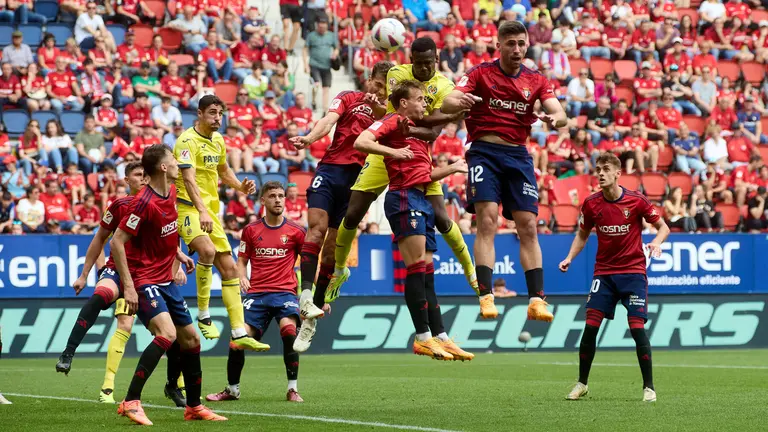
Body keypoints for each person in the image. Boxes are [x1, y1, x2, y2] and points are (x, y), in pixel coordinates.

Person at [325, 38, 480, 323]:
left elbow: (431, 132)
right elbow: (393, 115)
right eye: (419, 63)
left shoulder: (445, 86)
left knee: (442, 218)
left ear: (436, 59)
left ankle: (472, 273)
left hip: (417, 155)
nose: (424, 68)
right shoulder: (397, 73)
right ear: (411, 60)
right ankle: (339, 269)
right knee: (353, 212)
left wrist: (409, 126)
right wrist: (397, 122)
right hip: (386, 150)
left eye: (428, 63)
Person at [443, 20, 568, 322]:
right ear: (498, 45)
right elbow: (448, 101)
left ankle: (537, 300)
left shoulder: (536, 80)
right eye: (510, 43)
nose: (516, 49)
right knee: (487, 220)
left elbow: (560, 113)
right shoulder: (480, 73)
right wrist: (460, 101)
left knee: (528, 226)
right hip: (484, 153)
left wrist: (555, 120)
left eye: (521, 43)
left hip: (518, 156)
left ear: (528, 45)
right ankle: (486, 295)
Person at [354, 80, 471, 361]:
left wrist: (452, 168)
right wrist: (393, 152)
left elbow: (424, 175)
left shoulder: (416, 131)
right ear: (404, 103)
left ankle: (441, 336)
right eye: (419, 99)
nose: (423, 103)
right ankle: (422, 337)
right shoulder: (393, 121)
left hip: (421, 197)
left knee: (427, 273)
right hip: (404, 198)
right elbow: (361, 141)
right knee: (417, 268)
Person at [108, 145, 223, 425]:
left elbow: (167, 230)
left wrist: (178, 254)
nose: (177, 163)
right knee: (167, 334)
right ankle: (130, 401)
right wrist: (129, 287)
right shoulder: (142, 203)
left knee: (191, 339)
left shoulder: (171, 192)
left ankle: (194, 407)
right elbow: (117, 242)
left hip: (166, 280)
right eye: (173, 159)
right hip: (144, 279)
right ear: (162, 167)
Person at [55, 162, 186, 405]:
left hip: (147, 277)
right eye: (137, 175)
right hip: (119, 271)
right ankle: (69, 353)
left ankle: (173, 385)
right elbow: (100, 239)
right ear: (127, 180)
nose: (143, 178)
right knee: (102, 297)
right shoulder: (119, 206)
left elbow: (167, 238)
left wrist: (178, 259)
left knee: (173, 335)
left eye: (145, 175)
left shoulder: (161, 202)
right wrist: (84, 275)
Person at [287, 61, 393, 351]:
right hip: (330, 170)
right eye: (377, 84)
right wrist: (309, 138)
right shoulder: (348, 97)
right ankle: (305, 297)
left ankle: (311, 319)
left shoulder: (390, 112)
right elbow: (328, 121)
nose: (379, 91)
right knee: (316, 230)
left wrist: (381, 109)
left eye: (385, 88)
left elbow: (387, 131)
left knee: (332, 248)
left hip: (358, 181)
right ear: (369, 79)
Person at [559, 152, 669, 403]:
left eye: (606, 169)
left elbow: (663, 227)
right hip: (605, 274)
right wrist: (569, 257)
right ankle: (582, 383)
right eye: (598, 169)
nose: (600, 173)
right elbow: (582, 234)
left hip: (633, 273)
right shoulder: (591, 204)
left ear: (618, 173)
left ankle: (649, 388)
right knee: (590, 328)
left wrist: (656, 242)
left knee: (637, 329)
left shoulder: (637, 200)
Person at [173, 95, 267, 351]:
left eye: (220, 114)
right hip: (188, 208)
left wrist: (240, 186)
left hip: (210, 212)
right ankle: (203, 315)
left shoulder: (218, 140)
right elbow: (188, 180)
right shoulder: (186, 141)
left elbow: (224, 171)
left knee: (230, 269)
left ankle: (239, 332)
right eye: (212, 113)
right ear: (200, 113)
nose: (217, 118)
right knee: (207, 250)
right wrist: (202, 211)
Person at [206, 181, 307, 403]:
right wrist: (242, 276)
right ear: (263, 200)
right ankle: (232, 390)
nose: (278, 200)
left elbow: (309, 264)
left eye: (281, 196)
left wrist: (318, 298)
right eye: (272, 196)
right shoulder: (251, 230)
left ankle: (292, 388)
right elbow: (241, 261)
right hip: (257, 295)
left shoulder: (297, 231)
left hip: (285, 293)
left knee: (289, 331)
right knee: (237, 338)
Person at [304, 16, 339, 113]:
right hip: (314, 64)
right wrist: (305, 64)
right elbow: (305, 49)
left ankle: (325, 108)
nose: (322, 28)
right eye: (320, 26)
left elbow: (336, 48)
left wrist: (335, 54)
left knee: (326, 87)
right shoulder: (311, 36)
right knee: (316, 84)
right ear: (317, 25)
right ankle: (314, 101)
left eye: (324, 26)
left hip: (327, 65)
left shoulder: (331, 36)